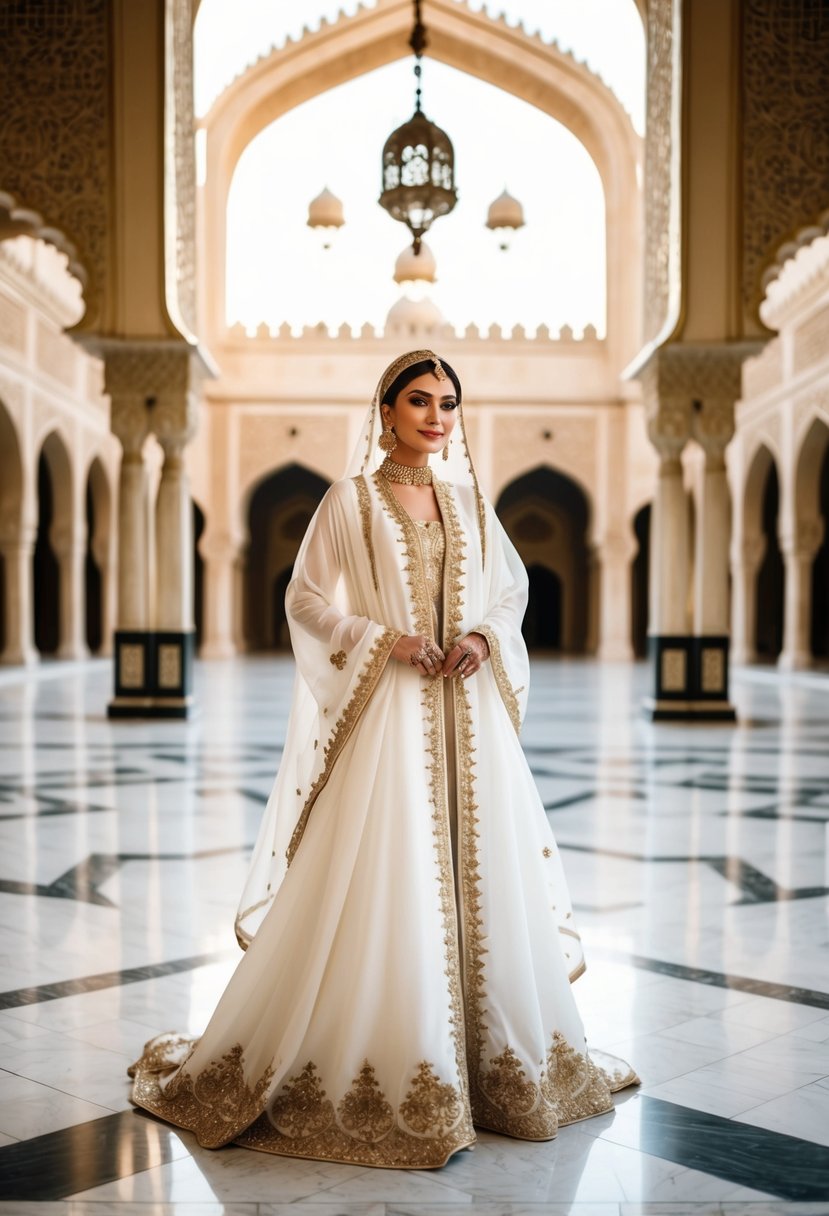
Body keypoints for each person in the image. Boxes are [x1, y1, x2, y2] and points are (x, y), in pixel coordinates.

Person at [128, 350, 638, 1170]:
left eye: (447, 403)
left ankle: (498, 1072)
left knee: (485, 878)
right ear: (387, 410)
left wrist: (479, 636)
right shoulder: (349, 500)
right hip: (390, 716)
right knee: (390, 879)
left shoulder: (472, 504)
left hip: (469, 719)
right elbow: (304, 597)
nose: (435, 416)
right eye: (418, 401)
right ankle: (407, 1066)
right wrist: (380, 639)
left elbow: (509, 591)